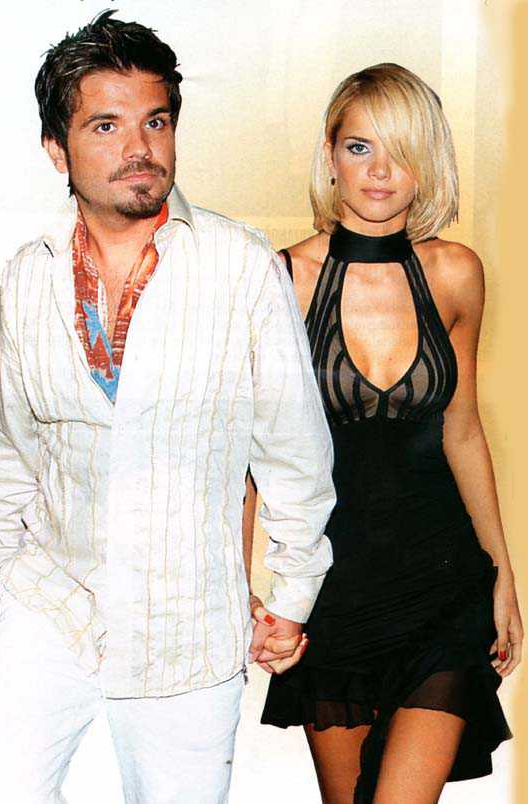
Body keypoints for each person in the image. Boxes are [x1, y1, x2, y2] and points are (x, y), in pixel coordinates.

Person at [0, 12, 335, 803]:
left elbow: (295, 454)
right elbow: (7, 447)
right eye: (107, 125)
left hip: (186, 625)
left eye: (156, 122)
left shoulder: (239, 267)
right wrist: (2, 586)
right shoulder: (28, 277)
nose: (140, 147)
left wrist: (293, 594)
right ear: (56, 149)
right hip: (53, 603)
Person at [247, 63, 522, 803]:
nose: (379, 171)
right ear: (330, 154)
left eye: (401, 150)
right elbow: (246, 454)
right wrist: (242, 589)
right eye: (360, 147)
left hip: (444, 585)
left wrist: (503, 576)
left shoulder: (457, 274)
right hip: (332, 591)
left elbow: (463, 431)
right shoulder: (278, 280)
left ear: (428, 161)